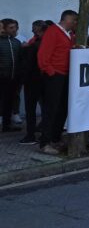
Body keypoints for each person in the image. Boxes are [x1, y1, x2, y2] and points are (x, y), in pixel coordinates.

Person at [37, 10, 77, 155]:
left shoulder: (69, 34)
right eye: (74, 21)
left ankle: (55, 138)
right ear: (68, 19)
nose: (75, 24)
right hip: (55, 75)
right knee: (51, 109)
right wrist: (50, 71)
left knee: (62, 109)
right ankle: (44, 143)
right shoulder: (53, 32)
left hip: (65, 75)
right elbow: (43, 55)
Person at [19, 21, 47, 145]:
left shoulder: (34, 46)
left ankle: (30, 135)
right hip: (45, 80)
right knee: (45, 108)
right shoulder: (46, 43)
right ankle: (45, 134)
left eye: (34, 29)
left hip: (32, 81)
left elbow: (28, 65)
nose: (32, 31)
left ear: (40, 30)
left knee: (30, 109)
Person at [0, 24, 22, 133]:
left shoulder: (16, 42)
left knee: (9, 101)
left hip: (12, 77)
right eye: (11, 27)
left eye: (15, 27)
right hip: (2, 76)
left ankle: (6, 125)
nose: (14, 30)